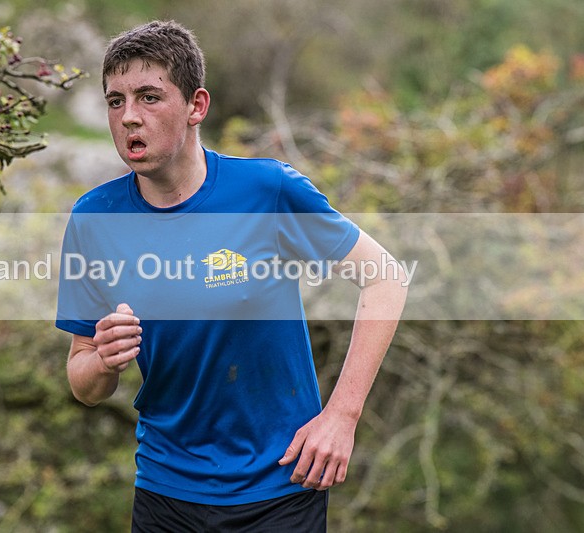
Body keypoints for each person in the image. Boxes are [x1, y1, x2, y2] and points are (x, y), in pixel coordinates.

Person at [55, 20, 408, 532]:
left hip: (281, 487)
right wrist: (104, 361)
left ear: (196, 106)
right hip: (165, 493)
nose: (129, 116)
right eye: (115, 101)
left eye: (149, 97)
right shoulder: (94, 218)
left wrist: (342, 416)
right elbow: (83, 381)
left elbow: (387, 278)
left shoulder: (266, 191)